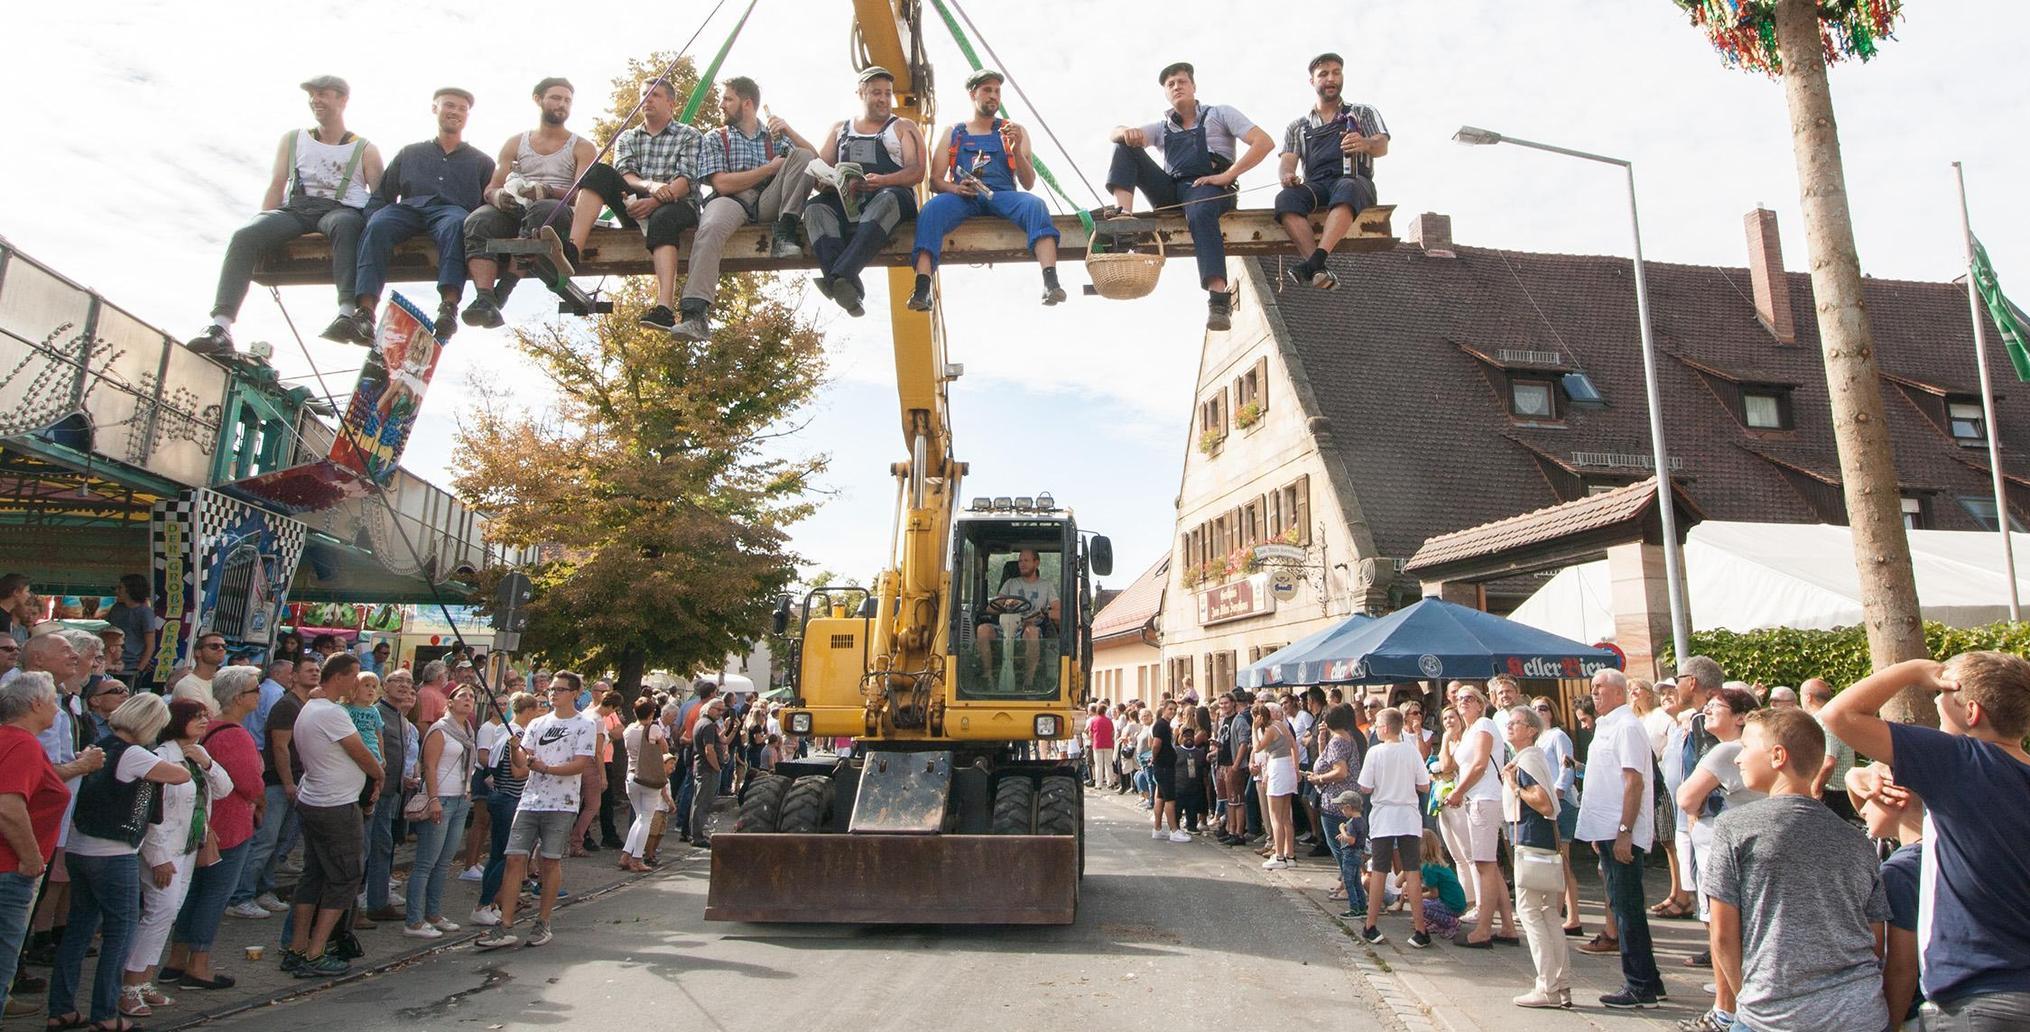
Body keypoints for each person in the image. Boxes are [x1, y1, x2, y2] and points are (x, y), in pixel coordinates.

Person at [1823, 653, 2030, 1031]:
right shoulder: (1999, 772)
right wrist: (1859, 775)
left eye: (1941, 697)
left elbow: (1839, 716)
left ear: (1972, 712)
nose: (1934, 702)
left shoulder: (1961, 759)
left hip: (1975, 997)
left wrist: (1913, 669)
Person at [1703, 707, 1889, 1032]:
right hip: (1860, 1011)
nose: (1738, 758)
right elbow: (1874, 937)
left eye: (1746, 747)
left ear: (1778, 756)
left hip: (1772, 1013)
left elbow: (1722, 934)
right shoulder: (1857, 841)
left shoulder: (1734, 828)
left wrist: (1745, 998)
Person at [187, 77, 382, 355]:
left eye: (323, 94)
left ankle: (347, 312)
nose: (316, 100)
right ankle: (221, 326)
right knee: (245, 235)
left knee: (347, 225)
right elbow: (277, 185)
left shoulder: (364, 149)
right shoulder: (293, 140)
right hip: (297, 209)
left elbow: (379, 200)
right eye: (312, 95)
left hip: (340, 209)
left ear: (342, 100)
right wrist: (263, 225)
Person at [49, 693, 191, 1032]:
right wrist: (188, 755)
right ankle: (105, 1014)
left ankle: (61, 1009)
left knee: (78, 931)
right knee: (119, 934)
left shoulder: (100, 746)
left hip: (79, 849)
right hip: (113, 854)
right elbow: (180, 776)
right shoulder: (135, 755)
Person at [1104, 61, 1274, 331]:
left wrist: (1228, 175)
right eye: (1170, 84)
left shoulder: (1220, 114)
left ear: (1193, 86)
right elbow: (1114, 133)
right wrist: (1125, 131)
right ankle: (1123, 217)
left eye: (1181, 81)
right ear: (1166, 93)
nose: (1176, 87)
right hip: (1173, 193)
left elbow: (1264, 142)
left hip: (1212, 188)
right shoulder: (1163, 127)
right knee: (1124, 147)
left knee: (1200, 209)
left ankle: (1218, 299)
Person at [673, 76, 819, 341]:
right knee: (710, 227)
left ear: (747, 103)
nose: (722, 105)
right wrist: (769, 169)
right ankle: (695, 315)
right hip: (732, 201)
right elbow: (722, 183)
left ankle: (784, 234)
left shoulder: (776, 138)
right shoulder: (716, 137)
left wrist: (790, 132)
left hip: (768, 203)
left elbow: (817, 170)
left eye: (728, 99)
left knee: (804, 156)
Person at [907, 69, 1065, 312]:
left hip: (1002, 195)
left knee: (1035, 205)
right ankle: (922, 289)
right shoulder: (953, 132)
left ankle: (1050, 283)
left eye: (997, 91)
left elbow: (1029, 181)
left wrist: (1017, 147)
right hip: (964, 197)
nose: (993, 96)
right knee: (930, 211)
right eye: (987, 90)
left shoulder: (1014, 131)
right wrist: (956, 188)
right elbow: (935, 181)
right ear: (973, 94)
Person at [345, 87, 493, 346]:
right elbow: (384, 195)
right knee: (378, 224)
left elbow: (486, 206)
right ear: (435, 109)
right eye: (449, 105)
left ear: (468, 116)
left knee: (457, 224)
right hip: (409, 208)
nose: (455, 112)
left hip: (452, 211)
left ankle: (448, 307)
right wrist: (368, 220)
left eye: (462, 109)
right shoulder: (410, 153)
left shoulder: (481, 162)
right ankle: (364, 312)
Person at [562, 78, 702, 334]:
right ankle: (571, 251)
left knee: (663, 218)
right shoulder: (628, 137)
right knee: (599, 173)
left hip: (678, 207)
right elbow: (625, 174)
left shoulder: (689, 135)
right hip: (636, 203)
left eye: (655, 95)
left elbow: (686, 181)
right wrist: (649, 189)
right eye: (643, 95)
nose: (647, 100)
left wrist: (656, 200)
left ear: (671, 103)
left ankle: (665, 308)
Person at [121, 699, 232, 1019]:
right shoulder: (159, 756)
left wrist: (208, 762)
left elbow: (224, 789)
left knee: (168, 914)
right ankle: (129, 984)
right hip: (164, 850)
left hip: (188, 848)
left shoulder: (197, 755)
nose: (202, 722)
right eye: (195, 718)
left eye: (204, 717)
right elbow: (151, 814)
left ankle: (145, 982)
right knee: (159, 912)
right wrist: (157, 857)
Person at [458, 77, 598, 328]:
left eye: (567, 100)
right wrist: (498, 196)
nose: (562, 104)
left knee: (543, 210)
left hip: (553, 212)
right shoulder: (515, 143)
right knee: (478, 220)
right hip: (514, 207)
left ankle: (503, 292)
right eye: (556, 98)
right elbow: (492, 186)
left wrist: (547, 190)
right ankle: (484, 297)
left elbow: (582, 195)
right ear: (539, 100)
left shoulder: (582, 147)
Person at [158, 668, 263, 994]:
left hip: (206, 822)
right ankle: (198, 964)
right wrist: (260, 800)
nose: (259, 695)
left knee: (195, 892)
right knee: (214, 895)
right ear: (239, 697)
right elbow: (249, 784)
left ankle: (176, 960)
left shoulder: (211, 729)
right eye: (254, 689)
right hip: (228, 824)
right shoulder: (234, 734)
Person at [475, 673, 596, 951]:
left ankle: (543, 921)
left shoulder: (584, 724)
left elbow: (581, 764)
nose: (553, 694)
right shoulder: (538, 723)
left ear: (576, 693)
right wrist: (516, 750)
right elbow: (520, 768)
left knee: (549, 862)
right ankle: (505, 925)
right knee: (514, 858)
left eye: (561, 690)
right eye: (552, 689)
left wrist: (546, 768)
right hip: (530, 801)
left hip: (561, 803)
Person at [280, 653, 382, 979]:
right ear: (340, 676)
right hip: (334, 804)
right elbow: (360, 752)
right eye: (354, 676)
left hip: (316, 798)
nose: (357, 683)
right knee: (346, 876)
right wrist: (378, 774)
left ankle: (297, 947)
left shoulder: (313, 707)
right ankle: (315, 951)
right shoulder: (331, 713)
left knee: (315, 874)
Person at [804, 66, 927, 317]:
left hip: (891, 197)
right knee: (815, 208)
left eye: (887, 93)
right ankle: (846, 285)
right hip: (848, 200)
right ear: (861, 93)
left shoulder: (902, 127)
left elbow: (916, 172)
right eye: (876, 93)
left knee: (886, 200)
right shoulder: (840, 129)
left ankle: (839, 275)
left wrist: (883, 180)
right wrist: (831, 180)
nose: (883, 99)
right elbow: (820, 171)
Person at [1576, 668, 1665, 1009]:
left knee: (1627, 909)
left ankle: (1639, 985)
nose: (1594, 692)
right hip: (1608, 830)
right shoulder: (1608, 725)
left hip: (1621, 832)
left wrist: (1625, 832)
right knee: (1623, 905)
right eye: (1593, 687)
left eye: (1601, 687)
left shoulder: (1627, 726)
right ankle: (1651, 981)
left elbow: (1634, 783)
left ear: (1619, 692)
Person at [1675, 683, 1763, 1010]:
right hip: (1744, 846)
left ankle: (1727, 1008)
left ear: (1740, 716)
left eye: (1717, 706)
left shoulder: (1726, 750)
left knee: (1721, 931)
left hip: (1722, 848)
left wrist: (1697, 810)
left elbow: (1685, 797)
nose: (1707, 710)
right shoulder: (1751, 747)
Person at [1273, 52, 1387, 290]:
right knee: (1286, 200)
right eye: (1323, 74)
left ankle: (1315, 261)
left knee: (1347, 187)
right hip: (1317, 185)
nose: (1331, 78)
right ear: (1312, 81)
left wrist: (1365, 143)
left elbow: (1382, 146)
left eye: (1336, 72)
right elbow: (1287, 162)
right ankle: (1318, 269)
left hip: (1354, 180)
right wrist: (1287, 177)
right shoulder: (1298, 127)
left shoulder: (1363, 112)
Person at [0, 674, 72, 1017]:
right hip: (9, 868)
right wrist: (30, 858)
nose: (57, 708)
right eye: (53, 700)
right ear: (35, 704)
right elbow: (8, 805)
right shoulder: (23, 743)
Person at [228, 653, 316, 920]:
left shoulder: (307, 704)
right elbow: (279, 746)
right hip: (278, 782)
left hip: (299, 779)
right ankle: (241, 896)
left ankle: (263, 889)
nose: (314, 674)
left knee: (279, 841)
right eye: (309, 670)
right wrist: (288, 781)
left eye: (317, 670)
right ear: (294, 676)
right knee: (264, 840)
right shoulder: (286, 705)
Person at [1500, 704, 1571, 1010]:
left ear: (1531, 729)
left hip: (1530, 839)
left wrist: (1515, 787)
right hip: (1540, 840)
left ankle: (1547, 985)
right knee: (1547, 912)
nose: (1510, 727)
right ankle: (1561, 983)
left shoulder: (1526, 760)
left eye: (1516, 723)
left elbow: (1543, 802)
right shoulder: (1533, 757)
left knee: (1531, 911)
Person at [1848, 762, 1925, 1029]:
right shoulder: (1943, 852)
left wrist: (1889, 1024)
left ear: (1898, 799)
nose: (1863, 809)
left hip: (1912, 1010)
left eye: (1869, 799)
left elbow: (1902, 965)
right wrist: (1854, 775)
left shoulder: (1898, 871)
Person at [1440, 684, 1515, 947]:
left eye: (1469, 698)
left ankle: (1484, 929)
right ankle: (1507, 926)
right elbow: (1452, 765)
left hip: (1484, 798)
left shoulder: (1484, 724)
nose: (1463, 702)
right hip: (1475, 798)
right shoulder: (1469, 730)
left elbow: (1481, 764)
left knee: (1483, 864)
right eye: (1459, 699)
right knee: (1488, 866)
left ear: (1481, 703)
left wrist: (1458, 791)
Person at [403, 684, 477, 939]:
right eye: (463, 696)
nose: (468, 700)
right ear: (450, 702)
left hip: (460, 798)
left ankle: (433, 913)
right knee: (426, 862)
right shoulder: (440, 730)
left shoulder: (468, 731)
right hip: (441, 798)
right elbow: (430, 767)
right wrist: (433, 799)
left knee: (444, 863)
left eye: (472, 697)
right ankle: (413, 920)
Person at [469, 692, 538, 928]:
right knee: (506, 856)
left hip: (500, 797)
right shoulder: (516, 734)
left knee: (497, 854)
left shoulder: (503, 732)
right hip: (509, 798)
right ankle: (483, 903)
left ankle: (488, 904)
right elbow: (518, 772)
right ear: (529, 711)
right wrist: (539, 768)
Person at [360, 669, 415, 925]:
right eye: (398, 681)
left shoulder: (399, 717)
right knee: (369, 846)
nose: (404, 686)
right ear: (386, 685)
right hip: (374, 791)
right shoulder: (376, 713)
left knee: (383, 845)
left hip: (393, 791)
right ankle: (367, 904)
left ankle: (376, 900)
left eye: (408, 682)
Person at [1531, 695, 1585, 938]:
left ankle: (1574, 916)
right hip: (1546, 803)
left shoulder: (1557, 735)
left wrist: (1559, 792)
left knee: (1563, 861)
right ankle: (1557, 910)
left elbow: (1567, 766)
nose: (1538, 712)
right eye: (1534, 709)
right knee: (1553, 861)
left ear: (1551, 712)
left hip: (1561, 802)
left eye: (1543, 708)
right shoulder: (1538, 739)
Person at [1305, 703, 1365, 913]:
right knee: (1346, 850)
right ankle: (1350, 888)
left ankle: (1354, 896)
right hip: (1343, 797)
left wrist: (1318, 778)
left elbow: (1340, 771)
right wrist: (1322, 741)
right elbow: (1327, 761)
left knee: (1342, 850)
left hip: (1336, 801)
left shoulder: (1339, 740)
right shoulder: (1345, 737)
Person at [974, 549, 1061, 690]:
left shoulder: (1046, 586)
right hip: (1005, 627)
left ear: (1036, 563)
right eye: (1020, 560)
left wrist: (1043, 614)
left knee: (1031, 632)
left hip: (1029, 627)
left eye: (1026, 560)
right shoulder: (1010, 583)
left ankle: (1028, 682)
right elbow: (990, 608)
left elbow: (1059, 613)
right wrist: (1006, 603)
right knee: (983, 630)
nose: (1022, 564)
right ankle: (988, 678)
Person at [619, 697, 671, 873]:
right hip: (649, 777)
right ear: (652, 713)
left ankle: (626, 854)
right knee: (646, 819)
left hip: (632, 776)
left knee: (640, 818)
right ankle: (637, 859)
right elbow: (664, 748)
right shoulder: (653, 728)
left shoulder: (628, 730)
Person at [1799, 678, 1857, 819]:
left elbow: (1828, 762)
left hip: (1831, 794)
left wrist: (1815, 790)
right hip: (1842, 791)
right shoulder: (1835, 718)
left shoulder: (1823, 721)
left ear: (1808, 697)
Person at [1252, 700, 1299, 869]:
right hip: (1286, 766)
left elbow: (1257, 747)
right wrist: (1296, 768)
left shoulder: (1271, 730)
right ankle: (1290, 855)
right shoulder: (1281, 725)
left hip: (1278, 767)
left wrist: (1254, 729)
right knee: (1286, 816)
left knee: (1275, 817)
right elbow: (1294, 745)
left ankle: (1279, 856)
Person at [99, 576, 160, 687]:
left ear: (131, 590)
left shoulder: (145, 612)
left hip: (131, 665)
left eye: (120, 588)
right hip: (110, 662)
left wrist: (140, 668)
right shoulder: (116, 608)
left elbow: (150, 644)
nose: (117, 591)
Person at [686, 695, 730, 851]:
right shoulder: (708, 725)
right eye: (718, 709)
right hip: (707, 769)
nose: (720, 713)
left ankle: (695, 833)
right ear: (709, 709)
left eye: (722, 710)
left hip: (702, 767)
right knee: (703, 802)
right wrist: (717, 767)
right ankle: (696, 835)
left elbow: (720, 742)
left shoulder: (702, 723)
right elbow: (709, 749)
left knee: (699, 801)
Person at [1416, 829, 1466, 940]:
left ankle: (1451, 922)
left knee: (1420, 905)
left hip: (1451, 906)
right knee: (1426, 903)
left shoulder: (1428, 868)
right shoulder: (1438, 864)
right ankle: (1438, 923)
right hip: (1457, 903)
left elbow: (1434, 894)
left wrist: (1417, 896)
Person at [1147, 702, 1184, 842]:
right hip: (1163, 766)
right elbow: (1156, 744)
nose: (1173, 712)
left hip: (1163, 765)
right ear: (1164, 710)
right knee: (1170, 798)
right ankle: (1174, 830)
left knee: (1161, 797)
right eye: (1170, 709)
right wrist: (1154, 758)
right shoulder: (1161, 725)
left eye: (1175, 710)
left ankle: (1157, 828)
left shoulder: (1164, 725)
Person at [1088, 703, 1115, 790]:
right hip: (1108, 744)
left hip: (1097, 744)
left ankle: (1098, 784)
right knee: (1108, 765)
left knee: (1098, 765)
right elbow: (1112, 733)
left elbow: (1090, 734)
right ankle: (1110, 783)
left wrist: (1093, 739)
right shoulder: (1109, 721)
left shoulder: (1093, 721)